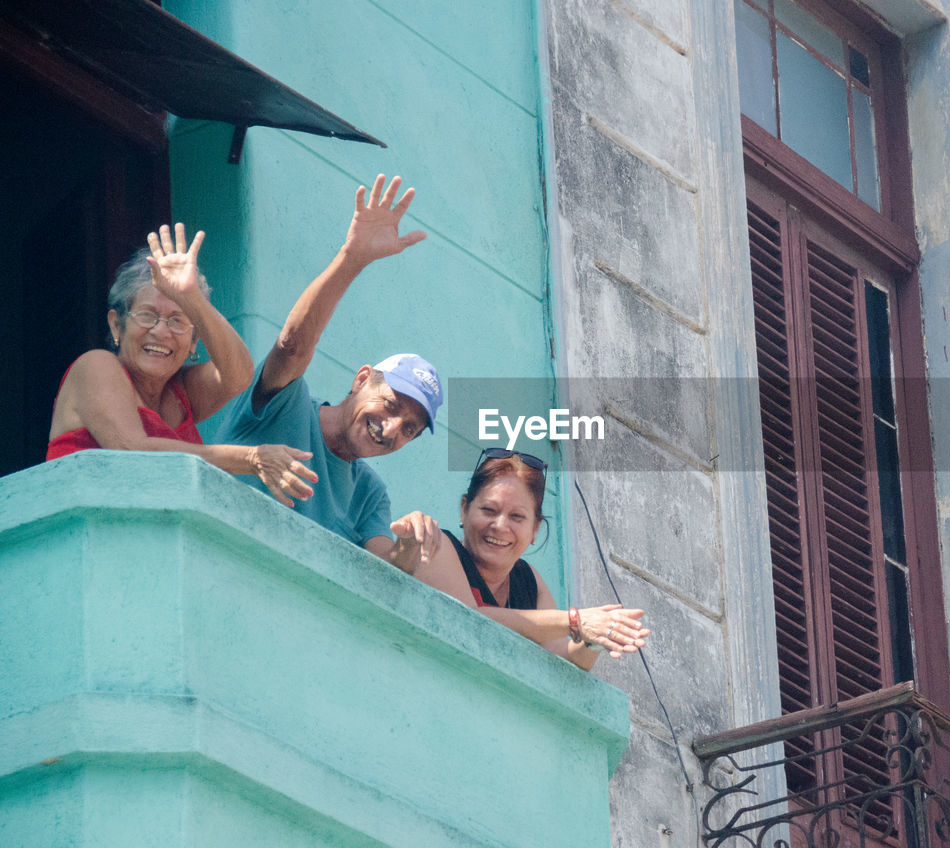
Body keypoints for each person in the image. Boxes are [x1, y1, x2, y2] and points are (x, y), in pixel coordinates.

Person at [216, 174, 444, 574]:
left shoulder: (369, 493)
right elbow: (292, 345)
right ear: (361, 380)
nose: (392, 429)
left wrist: (408, 548)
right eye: (391, 406)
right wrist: (353, 258)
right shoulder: (285, 406)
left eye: (408, 429)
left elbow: (384, 570)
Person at [47, 224, 320, 505]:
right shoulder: (95, 366)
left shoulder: (182, 392)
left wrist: (193, 299)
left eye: (177, 320)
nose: (161, 332)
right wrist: (250, 458)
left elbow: (238, 376)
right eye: (147, 315)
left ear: (193, 342)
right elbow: (131, 450)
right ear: (117, 325)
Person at [409, 448, 650, 671]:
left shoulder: (529, 583)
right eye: (489, 511)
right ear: (464, 509)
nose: (500, 526)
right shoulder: (437, 547)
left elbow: (560, 657)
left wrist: (594, 639)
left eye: (517, 517)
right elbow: (469, 619)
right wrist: (575, 620)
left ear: (534, 529)